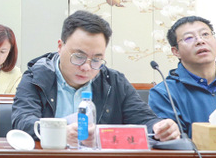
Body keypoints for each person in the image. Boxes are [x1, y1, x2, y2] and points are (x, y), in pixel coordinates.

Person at [12, 10, 180, 143]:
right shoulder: (36, 78)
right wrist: (60, 133)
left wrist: (160, 127)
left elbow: (144, 119)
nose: (86, 67)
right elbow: (23, 121)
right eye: (78, 56)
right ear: (60, 46)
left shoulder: (114, 82)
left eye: (96, 59)